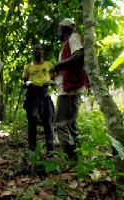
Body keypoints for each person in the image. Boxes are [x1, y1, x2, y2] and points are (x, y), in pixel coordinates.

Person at [52, 18, 88, 161]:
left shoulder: (73, 38)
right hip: (68, 88)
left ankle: (71, 159)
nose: (58, 32)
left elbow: (78, 56)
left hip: (68, 90)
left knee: (61, 125)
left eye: (59, 29)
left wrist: (57, 65)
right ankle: (77, 160)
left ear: (65, 28)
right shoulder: (68, 43)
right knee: (71, 125)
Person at [22, 44, 55, 158]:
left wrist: (49, 83)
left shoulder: (49, 65)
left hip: (44, 95)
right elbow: (23, 82)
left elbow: (55, 80)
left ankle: (50, 151)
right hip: (32, 96)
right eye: (36, 49)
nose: (38, 51)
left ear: (43, 52)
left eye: (40, 49)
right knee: (32, 124)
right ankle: (32, 151)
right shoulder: (28, 66)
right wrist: (29, 84)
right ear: (33, 51)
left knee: (48, 124)